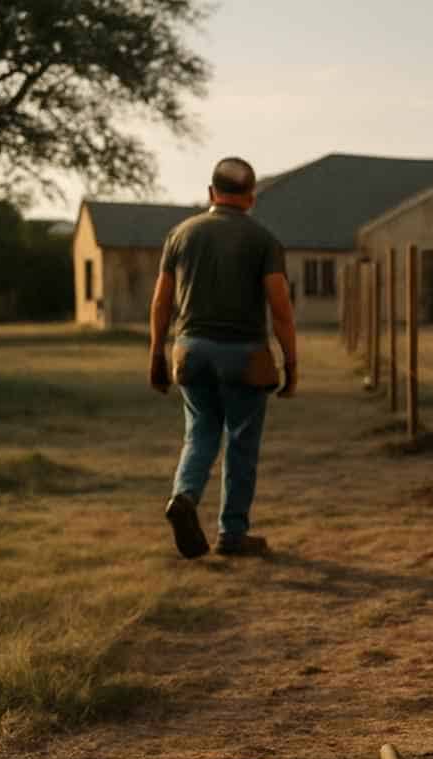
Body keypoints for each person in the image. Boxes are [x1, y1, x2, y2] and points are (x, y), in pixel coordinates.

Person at [147, 156, 298, 558]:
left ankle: (184, 498)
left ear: (211, 193)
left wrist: (156, 355)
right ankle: (232, 534)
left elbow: (161, 301)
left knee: (199, 434)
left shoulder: (180, 234)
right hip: (244, 355)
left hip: (190, 350)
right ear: (251, 198)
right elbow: (280, 308)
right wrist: (291, 363)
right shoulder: (263, 240)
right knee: (241, 443)